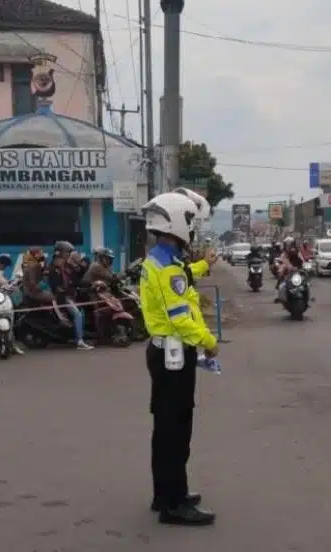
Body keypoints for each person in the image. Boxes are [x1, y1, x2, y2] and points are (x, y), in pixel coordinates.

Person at [139, 192, 217, 526]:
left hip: (160, 350)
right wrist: (209, 342)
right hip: (174, 354)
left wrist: (204, 265)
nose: (193, 231)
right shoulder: (168, 268)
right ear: (177, 223)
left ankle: (164, 494)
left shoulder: (158, 259)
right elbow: (181, 316)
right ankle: (175, 504)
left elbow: (183, 277)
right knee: (176, 430)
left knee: (164, 428)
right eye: (191, 224)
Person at [47, 243, 94, 350]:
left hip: (69, 295)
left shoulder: (65, 265)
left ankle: (80, 335)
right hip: (61, 297)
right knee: (78, 314)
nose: (68, 254)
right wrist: (68, 290)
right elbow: (57, 286)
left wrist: (79, 264)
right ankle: (80, 342)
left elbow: (76, 277)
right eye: (67, 252)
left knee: (82, 311)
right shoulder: (54, 267)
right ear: (60, 253)